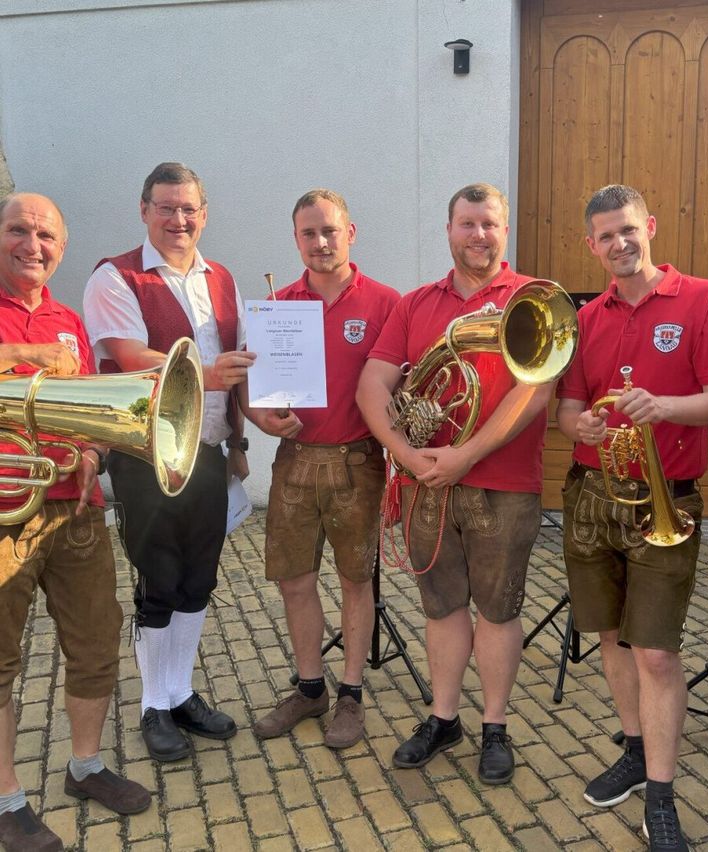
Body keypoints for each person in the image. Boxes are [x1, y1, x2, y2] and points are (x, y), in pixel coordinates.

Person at [555, 184, 708, 850]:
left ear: (651, 226)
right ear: (592, 245)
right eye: (606, 236)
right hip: (591, 494)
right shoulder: (586, 317)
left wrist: (662, 407)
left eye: (629, 230)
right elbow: (567, 408)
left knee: (659, 654)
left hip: (668, 497)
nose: (619, 244)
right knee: (610, 638)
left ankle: (661, 797)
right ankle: (635, 751)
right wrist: (574, 420)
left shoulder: (703, 298)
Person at [355, 182, 554, 785]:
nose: (479, 235)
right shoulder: (415, 305)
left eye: (489, 224)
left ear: (505, 229)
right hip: (426, 483)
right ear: (448, 230)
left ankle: (494, 725)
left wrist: (467, 452)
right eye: (467, 224)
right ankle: (444, 719)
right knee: (441, 609)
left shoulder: (533, 299)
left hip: (502, 482)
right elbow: (372, 386)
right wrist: (405, 457)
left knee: (498, 610)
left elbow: (537, 389)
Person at [83, 163, 257, 763]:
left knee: (198, 580)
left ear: (204, 213)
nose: (178, 220)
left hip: (207, 452)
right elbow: (126, 356)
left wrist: (242, 436)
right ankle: (152, 706)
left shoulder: (223, 278)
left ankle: (179, 691)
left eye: (189, 209)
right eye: (166, 208)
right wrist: (206, 376)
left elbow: (236, 368)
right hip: (147, 455)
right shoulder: (115, 276)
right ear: (144, 210)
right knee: (158, 581)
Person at [0, 193, 150, 852]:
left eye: (46, 234)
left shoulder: (67, 319)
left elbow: (92, 408)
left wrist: (93, 449)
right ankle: (6, 800)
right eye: (18, 230)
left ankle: (84, 766)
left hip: (75, 512)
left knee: (95, 644)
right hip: (4, 515)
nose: (33, 244)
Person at [250, 189, 399, 749]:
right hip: (294, 461)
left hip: (357, 462)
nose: (320, 242)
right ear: (295, 239)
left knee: (357, 582)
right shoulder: (277, 305)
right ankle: (310, 687)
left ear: (350, 232)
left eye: (329, 231)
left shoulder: (387, 303)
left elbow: (400, 385)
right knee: (294, 581)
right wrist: (263, 418)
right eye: (308, 233)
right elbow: (253, 393)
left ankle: (352, 695)